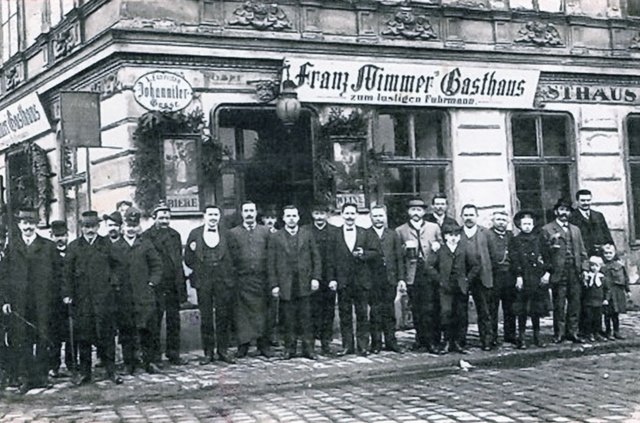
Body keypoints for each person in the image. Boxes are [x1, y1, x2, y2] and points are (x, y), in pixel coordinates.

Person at [1, 209, 61, 393]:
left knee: (43, 336)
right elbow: (3, 277)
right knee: (22, 338)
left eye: (31, 223)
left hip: (43, 301)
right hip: (20, 302)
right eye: (24, 223)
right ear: (19, 225)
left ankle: (41, 376)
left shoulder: (48, 246)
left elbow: (58, 275)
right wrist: (5, 301)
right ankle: (25, 377)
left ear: (37, 224)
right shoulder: (12, 248)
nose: (28, 226)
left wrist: (56, 298)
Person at [63, 211, 122, 385]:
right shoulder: (74, 247)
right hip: (82, 300)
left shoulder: (106, 244)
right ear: (81, 228)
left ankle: (111, 371)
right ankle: (85, 373)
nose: (90, 230)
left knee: (107, 336)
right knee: (84, 337)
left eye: (93, 226)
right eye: (86, 227)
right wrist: (67, 294)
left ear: (98, 227)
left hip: (104, 298)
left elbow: (117, 266)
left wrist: (113, 283)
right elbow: (66, 273)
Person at [111, 207, 162, 374]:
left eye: (134, 225)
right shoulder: (116, 246)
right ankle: (129, 363)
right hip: (124, 296)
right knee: (126, 330)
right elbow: (110, 269)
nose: (131, 229)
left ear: (138, 227)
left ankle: (150, 361)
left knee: (148, 329)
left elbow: (157, 265)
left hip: (144, 295)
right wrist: (115, 284)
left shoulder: (145, 244)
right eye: (128, 225)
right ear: (123, 227)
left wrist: (152, 283)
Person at [184, 205, 237, 365]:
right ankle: (208, 353)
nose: (213, 217)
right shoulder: (195, 234)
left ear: (219, 216)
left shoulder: (227, 234)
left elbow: (235, 256)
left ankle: (223, 351)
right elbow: (188, 258)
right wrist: (200, 270)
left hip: (223, 281)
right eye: (210, 214)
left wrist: (228, 273)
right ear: (204, 216)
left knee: (223, 316)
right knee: (206, 318)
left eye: (216, 214)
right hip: (204, 281)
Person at [328, 203, 381, 357]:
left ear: (356, 215)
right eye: (347, 213)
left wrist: (363, 254)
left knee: (362, 314)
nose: (350, 216)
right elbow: (330, 259)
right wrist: (332, 279)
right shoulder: (335, 234)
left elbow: (376, 252)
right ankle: (347, 346)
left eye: (352, 213)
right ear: (342, 215)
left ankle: (363, 346)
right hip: (343, 281)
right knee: (345, 314)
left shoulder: (365, 233)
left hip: (362, 281)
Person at [268, 205, 321, 360]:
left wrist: (316, 278)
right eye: (288, 216)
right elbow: (271, 263)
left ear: (298, 218)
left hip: (304, 281)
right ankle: (289, 349)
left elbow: (315, 257)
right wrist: (274, 284)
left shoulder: (307, 234)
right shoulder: (275, 237)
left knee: (306, 318)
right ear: (283, 218)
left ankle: (308, 349)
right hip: (286, 283)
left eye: (294, 215)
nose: (291, 218)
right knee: (288, 319)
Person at [395, 198, 442, 353]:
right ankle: (420, 339)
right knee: (416, 308)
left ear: (424, 212)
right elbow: (398, 257)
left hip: (430, 272)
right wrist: (403, 249)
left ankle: (433, 341)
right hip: (412, 273)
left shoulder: (434, 227)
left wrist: (438, 246)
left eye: (419, 210)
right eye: (413, 210)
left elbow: (445, 248)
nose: (416, 213)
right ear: (408, 212)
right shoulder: (400, 230)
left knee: (431, 307)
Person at [143, 202, 188, 366]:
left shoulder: (175, 235)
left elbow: (178, 262)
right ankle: (155, 356)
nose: (164, 221)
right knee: (155, 322)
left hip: (173, 285)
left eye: (167, 217)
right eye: (161, 217)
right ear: (154, 218)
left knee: (174, 321)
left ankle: (173, 353)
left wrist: (181, 285)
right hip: (157, 286)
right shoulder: (147, 236)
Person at [228, 201, 273, 359]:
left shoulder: (266, 231)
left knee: (262, 312)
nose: (248, 214)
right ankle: (243, 345)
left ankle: (263, 345)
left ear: (256, 213)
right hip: (242, 279)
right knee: (242, 315)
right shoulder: (233, 233)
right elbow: (231, 258)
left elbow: (271, 255)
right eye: (246, 211)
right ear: (241, 213)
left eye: (251, 211)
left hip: (261, 278)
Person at [540, 198, 588, 344]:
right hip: (558, 271)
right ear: (556, 212)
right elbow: (543, 253)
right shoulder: (547, 229)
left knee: (575, 304)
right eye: (561, 210)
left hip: (575, 271)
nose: (564, 213)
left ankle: (572, 332)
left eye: (567, 210)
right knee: (559, 304)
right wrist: (551, 243)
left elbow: (583, 253)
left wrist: (584, 269)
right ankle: (559, 333)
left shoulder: (576, 230)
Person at [426, 223, 472, 354]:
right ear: (445, 236)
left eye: (456, 235)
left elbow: (475, 265)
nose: (453, 238)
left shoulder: (464, 249)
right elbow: (429, 266)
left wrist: (467, 279)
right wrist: (439, 279)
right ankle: (446, 342)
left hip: (460, 287)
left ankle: (458, 342)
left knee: (461, 314)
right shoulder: (440, 250)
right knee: (446, 313)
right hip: (445, 288)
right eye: (450, 235)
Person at [510, 211, 551, 349]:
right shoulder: (515, 240)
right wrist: (518, 276)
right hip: (523, 278)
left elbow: (547, 256)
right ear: (519, 225)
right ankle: (521, 337)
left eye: (529, 224)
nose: (527, 226)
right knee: (522, 310)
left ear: (533, 225)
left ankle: (537, 337)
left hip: (537, 278)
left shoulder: (539, 239)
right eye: (524, 224)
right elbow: (514, 260)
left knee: (536, 309)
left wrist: (547, 273)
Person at [369, 205, 405, 354]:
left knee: (389, 312)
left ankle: (391, 342)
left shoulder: (392, 234)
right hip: (373, 279)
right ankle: (376, 343)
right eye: (375, 216)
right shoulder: (366, 234)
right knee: (375, 312)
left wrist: (401, 278)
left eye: (381, 216)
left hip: (390, 278)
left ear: (385, 217)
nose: (378, 219)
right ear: (371, 218)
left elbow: (398, 257)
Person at [459, 204, 494, 351]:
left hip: (482, 276)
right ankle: (460, 341)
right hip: (462, 278)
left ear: (476, 216)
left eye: (471, 215)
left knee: (484, 311)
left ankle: (486, 340)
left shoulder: (486, 233)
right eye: (466, 215)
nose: (468, 218)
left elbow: (492, 255)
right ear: (461, 217)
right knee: (460, 311)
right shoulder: (457, 233)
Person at [306, 203, 338, 355]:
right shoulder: (305, 231)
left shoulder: (335, 232)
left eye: (322, 213)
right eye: (316, 213)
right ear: (312, 214)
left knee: (328, 311)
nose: (319, 217)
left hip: (329, 277)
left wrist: (334, 278)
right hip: (311, 278)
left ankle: (326, 343)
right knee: (312, 311)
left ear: (328, 215)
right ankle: (311, 344)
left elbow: (338, 257)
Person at [48, 220, 75, 378]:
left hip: (71, 300)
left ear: (67, 235)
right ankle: (54, 366)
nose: (60, 239)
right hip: (54, 301)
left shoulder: (73, 251)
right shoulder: (48, 253)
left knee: (72, 334)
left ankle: (72, 365)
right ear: (51, 236)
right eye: (57, 236)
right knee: (54, 336)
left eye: (63, 236)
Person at [487, 210, 516, 346]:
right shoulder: (487, 235)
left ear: (508, 222)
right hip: (494, 275)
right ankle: (492, 336)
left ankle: (510, 335)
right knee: (492, 307)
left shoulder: (511, 236)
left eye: (504, 220)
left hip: (509, 275)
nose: (501, 223)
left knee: (510, 307)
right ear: (493, 221)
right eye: (498, 219)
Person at [569, 189, 614, 257]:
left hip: (601, 255)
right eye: (583, 200)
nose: (586, 203)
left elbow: (607, 236)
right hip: (583, 256)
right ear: (577, 201)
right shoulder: (572, 217)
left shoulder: (598, 215)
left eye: (588, 200)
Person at [601, 243, 630, 340]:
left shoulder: (619, 265)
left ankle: (616, 331)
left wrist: (627, 290)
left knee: (615, 313)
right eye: (606, 253)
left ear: (614, 253)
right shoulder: (601, 266)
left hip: (617, 291)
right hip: (607, 293)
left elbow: (625, 278)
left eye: (610, 253)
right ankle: (608, 331)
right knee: (607, 313)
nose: (608, 255)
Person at [582, 256, 608, 343]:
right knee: (588, 318)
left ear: (600, 267)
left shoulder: (602, 278)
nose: (594, 268)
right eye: (592, 265)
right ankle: (589, 333)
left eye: (596, 266)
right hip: (589, 302)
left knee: (598, 318)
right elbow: (584, 289)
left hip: (599, 302)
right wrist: (585, 282)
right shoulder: (588, 277)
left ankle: (597, 332)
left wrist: (606, 299)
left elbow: (607, 289)